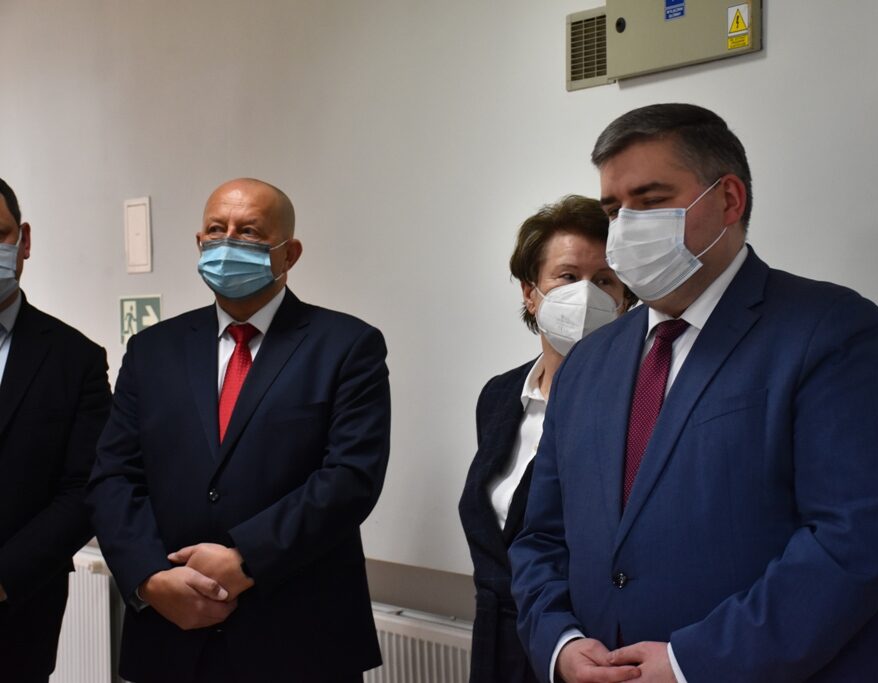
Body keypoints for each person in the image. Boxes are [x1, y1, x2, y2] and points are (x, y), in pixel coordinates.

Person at [509, 105, 878, 683]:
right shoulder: (587, 363)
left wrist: (691, 662)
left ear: (729, 199)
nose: (627, 228)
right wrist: (560, 643)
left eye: (650, 201)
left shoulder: (829, 330)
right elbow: (541, 536)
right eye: (614, 211)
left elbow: (857, 539)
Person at [88, 178, 390, 683]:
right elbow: (113, 476)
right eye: (216, 229)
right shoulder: (151, 350)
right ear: (199, 243)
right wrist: (148, 578)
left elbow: (349, 478)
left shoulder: (347, 346)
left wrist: (246, 557)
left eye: (248, 232)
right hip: (170, 631)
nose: (227, 243)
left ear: (289, 253)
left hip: (299, 637)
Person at [459, 195, 635, 683]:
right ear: (530, 293)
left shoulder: (639, 401)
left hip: (587, 648)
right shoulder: (500, 395)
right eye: (567, 276)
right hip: (497, 639)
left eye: (605, 280)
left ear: (626, 298)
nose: (587, 294)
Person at [0, 177, 111, 682]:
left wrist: (4, 577)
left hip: (17, 611)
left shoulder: (75, 359)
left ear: (23, 240)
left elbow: (86, 488)